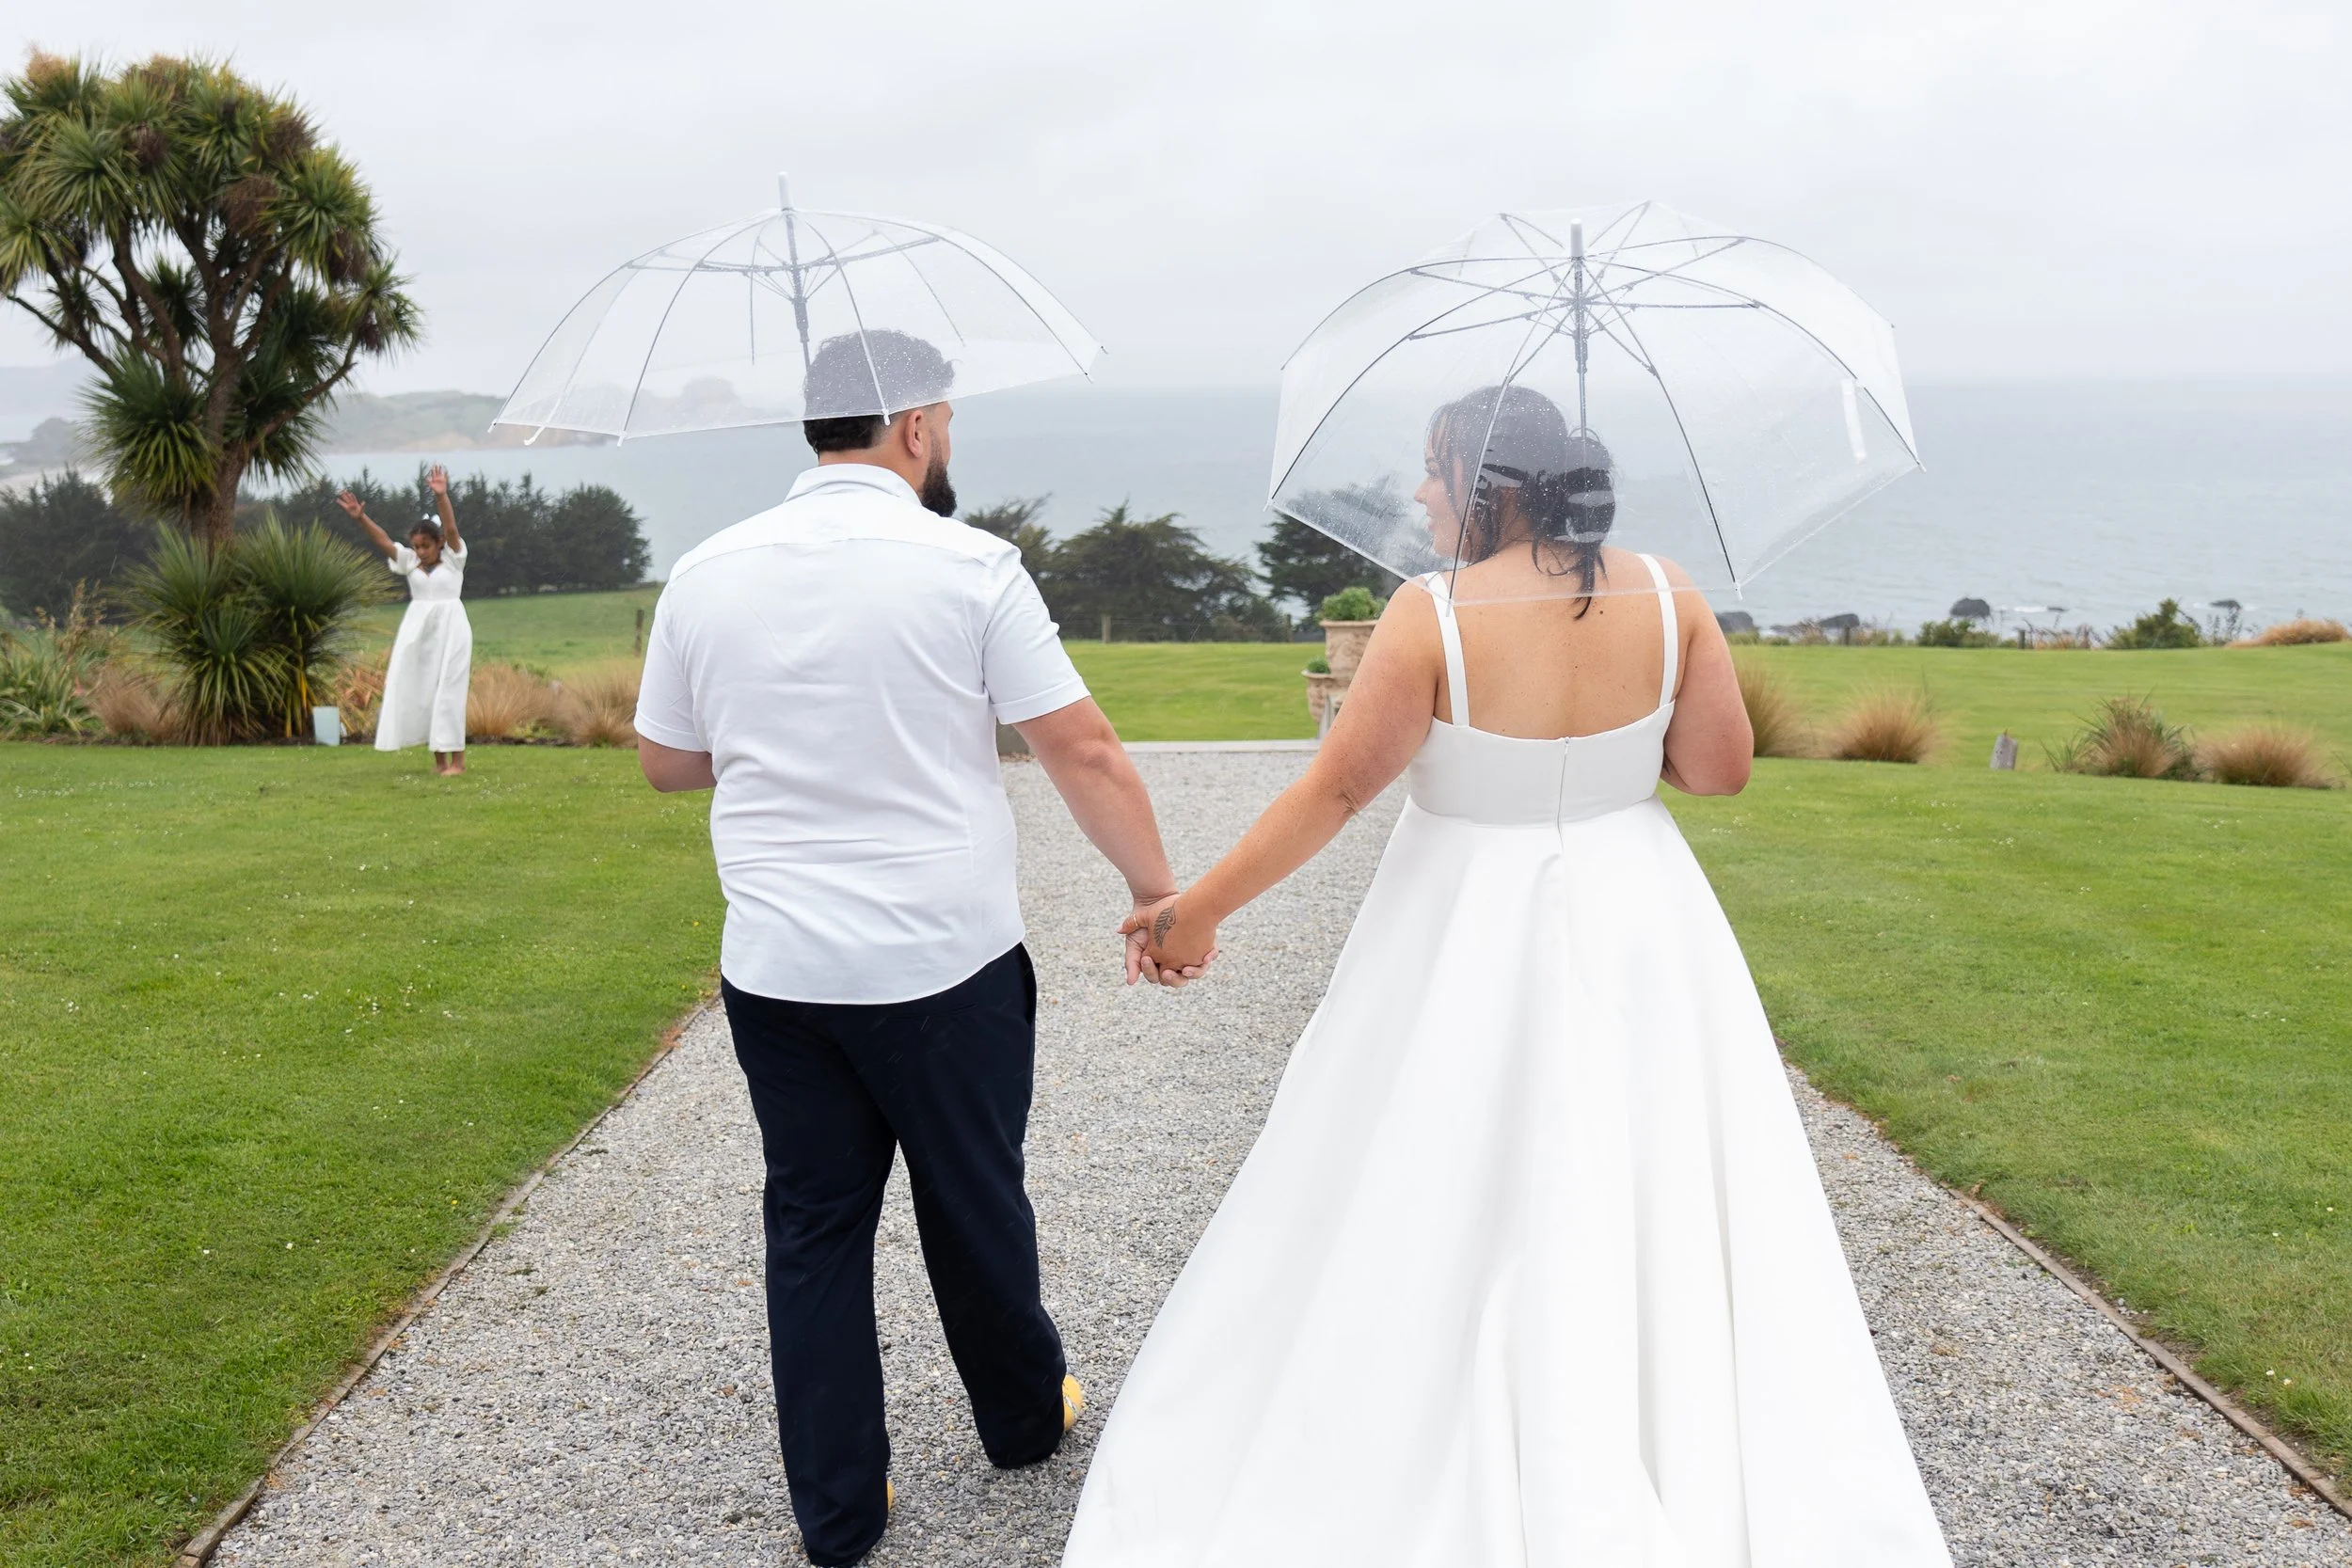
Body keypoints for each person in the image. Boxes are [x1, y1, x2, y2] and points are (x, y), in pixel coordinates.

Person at [1074, 384, 1953, 1566]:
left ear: (1491, 487)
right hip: (1639, 916)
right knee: (1645, 1167)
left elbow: (1336, 789)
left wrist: (1192, 912)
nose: (1419, 493)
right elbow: (1718, 770)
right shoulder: (1670, 591)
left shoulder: (1428, 614)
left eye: (1433, 471)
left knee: (1432, 1163)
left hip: (1459, 921)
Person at [633, 329, 1201, 1568]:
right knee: (970, 1192)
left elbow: (669, 762)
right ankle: (1018, 1417)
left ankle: (840, 1510)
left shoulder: (708, 570)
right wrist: (1159, 891)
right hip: (943, 963)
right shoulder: (971, 564)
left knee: (815, 1224)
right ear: (916, 427)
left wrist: (784, 727)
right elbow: (1084, 748)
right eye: (945, 418)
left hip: (780, 971)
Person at [341, 466, 471, 775]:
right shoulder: (410, 562)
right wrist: (360, 518)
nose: (421, 551)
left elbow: (451, 529)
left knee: (448, 692)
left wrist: (441, 496)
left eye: (426, 546)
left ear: (438, 543)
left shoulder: (454, 559)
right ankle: (439, 763)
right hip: (418, 633)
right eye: (417, 546)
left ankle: (459, 762)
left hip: (452, 630)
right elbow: (384, 541)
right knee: (423, 691)